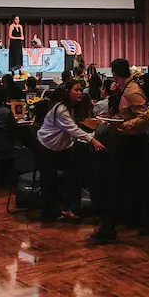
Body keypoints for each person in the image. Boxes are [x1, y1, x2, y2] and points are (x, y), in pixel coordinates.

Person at [90, 58, 149, 244]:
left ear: (115, 73)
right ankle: (125, 222)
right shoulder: (125, 89)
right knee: (129, 184)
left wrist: (124, 125)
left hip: (135, 142)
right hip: (128, 141)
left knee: (125, 183)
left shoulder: (133, 91)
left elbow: (144, 116)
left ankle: (111, 227)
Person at [37, 79, 106, 221]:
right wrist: (92, 140)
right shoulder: (60, 109)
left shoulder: (73, 107)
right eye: (76, 90)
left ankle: (72, 209)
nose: (80, 93)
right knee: (49, 180)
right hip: (47, 146)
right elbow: (73, 129)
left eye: (81, 90)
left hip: (64, 147)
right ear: (67, 92)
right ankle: (48, 213)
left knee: (74, 176)